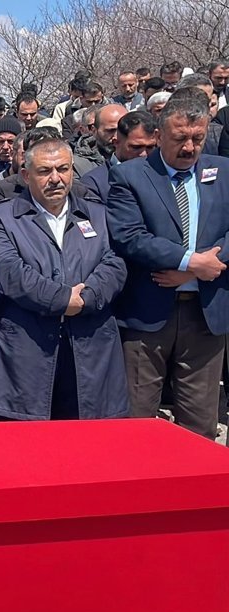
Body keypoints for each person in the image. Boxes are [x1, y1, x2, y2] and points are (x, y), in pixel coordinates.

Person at [107, 88, 229, 440]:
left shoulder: (224, 172)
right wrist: (191, 260)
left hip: (206, 313)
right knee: (137, 420)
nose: (189, 148)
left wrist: (196, 270)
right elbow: (130, 236)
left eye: (197, 139)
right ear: (159, 135)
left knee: (200, 425)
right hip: (146, 316)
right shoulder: (130, 176)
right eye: (179, 139)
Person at [0, 139, 129, 421]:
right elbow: (10, 271)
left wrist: (87, 298)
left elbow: (115, 263)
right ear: (26, 176)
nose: (55, 178)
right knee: (32, 441)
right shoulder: (1, 218)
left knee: (86, 439)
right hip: (28, 348)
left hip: (90, 343)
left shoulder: (99, 215)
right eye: (44, 171)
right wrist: (62, 300)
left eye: (63, 169)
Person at [79, 110, 159, 202]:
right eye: (136, 147)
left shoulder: (164, 176)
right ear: (116, 143)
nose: (143, 154)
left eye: (150, 147)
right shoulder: (94, 183)